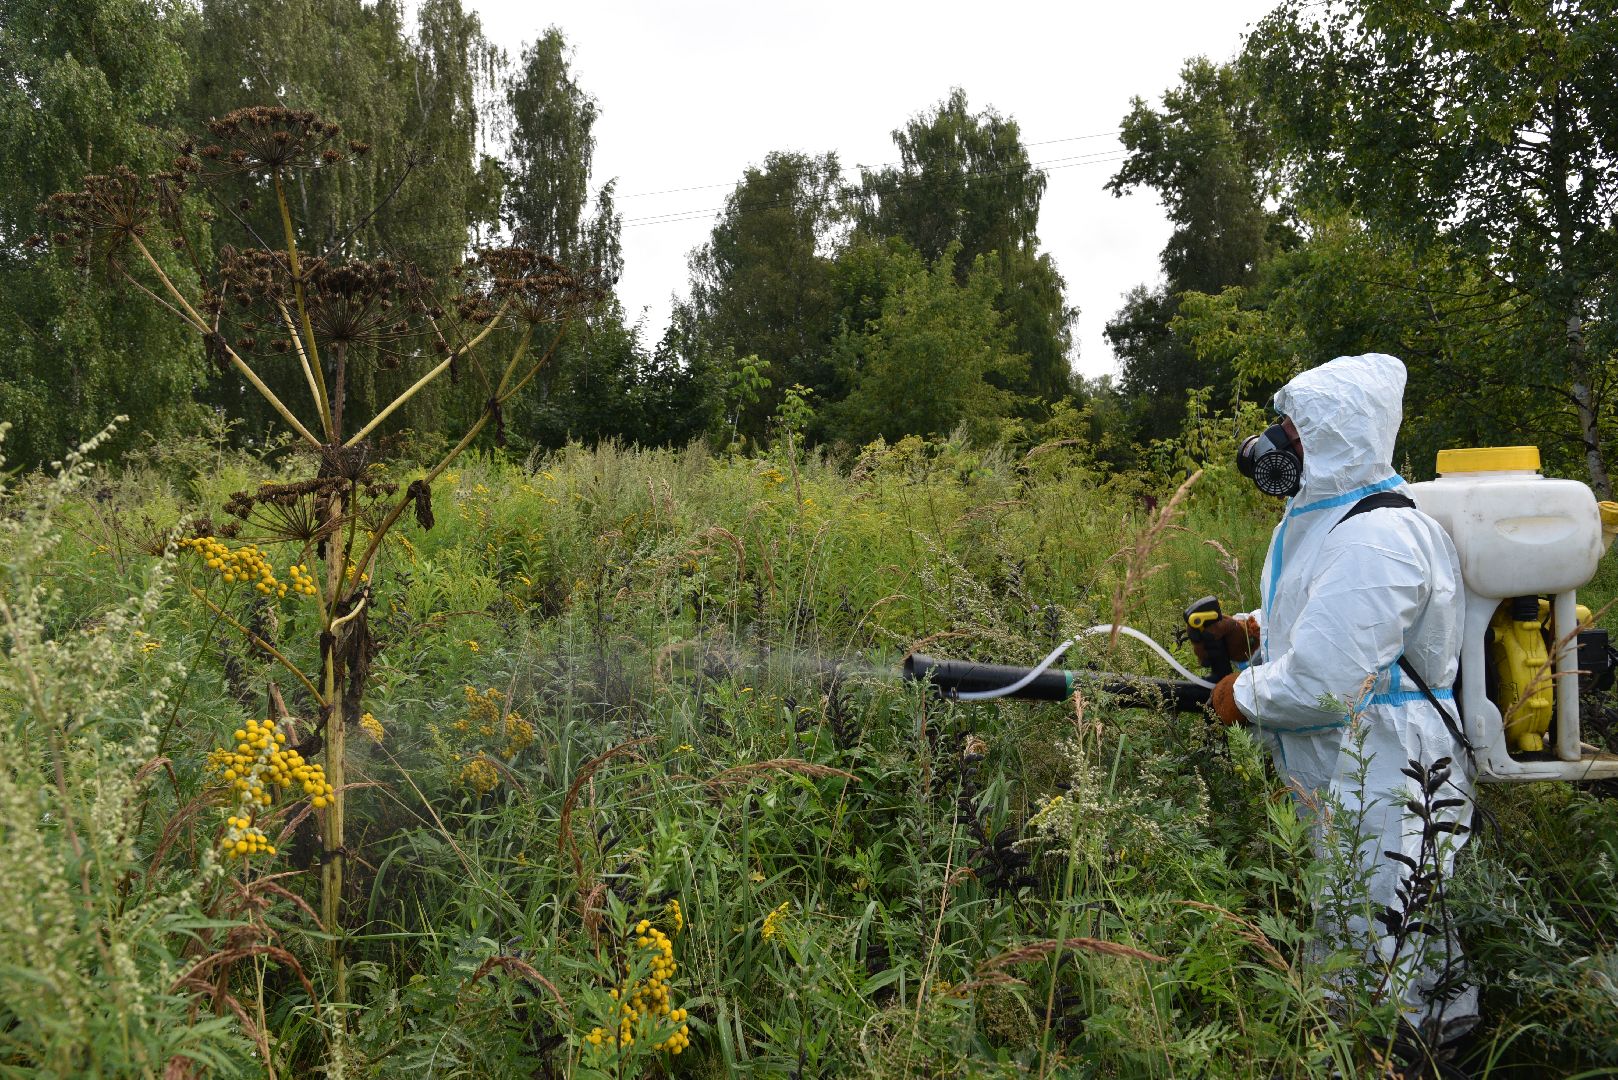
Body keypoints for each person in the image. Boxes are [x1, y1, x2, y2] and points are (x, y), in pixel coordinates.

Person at [1196, 353, 1478, 1048]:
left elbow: (1324, 678)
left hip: (1384, 769)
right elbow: (1316, 613)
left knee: (1379, 924)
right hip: (1346, 762)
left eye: (1292, 430)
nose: (1274, 445)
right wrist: (1251, 629)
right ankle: (1409, 1042)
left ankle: (1398, 1052)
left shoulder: (1379, 538)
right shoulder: (1328, 518)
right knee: (1363, 921)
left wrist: (1244, 693)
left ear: (1337, 434)